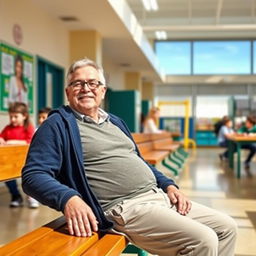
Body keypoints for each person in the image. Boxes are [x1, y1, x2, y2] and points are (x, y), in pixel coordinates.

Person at [22, 58, 237, 256]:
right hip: (124, 208)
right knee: (202, 240)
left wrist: (169, 185)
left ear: (103, 90)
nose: (86, 88)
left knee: (227, 227)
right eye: (78, 84)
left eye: (92, 83)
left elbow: (138, 161)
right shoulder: (57, 124)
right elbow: (33, 175)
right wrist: (69, 198)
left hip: (158, 196)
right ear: (68, 92)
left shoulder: (114, 122)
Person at [0, 102, 38, 208]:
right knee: (8, 179)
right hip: (11, 161)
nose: (12, 119)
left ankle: (32, 196)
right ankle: (16, 196)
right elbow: (1, 137)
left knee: (29, 178)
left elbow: (29, 141)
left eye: (15, 116)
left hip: (26, 160)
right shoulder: (8, 128)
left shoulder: (29, 127)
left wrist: (12, 142)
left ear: (24, 116)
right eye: (11, 117)